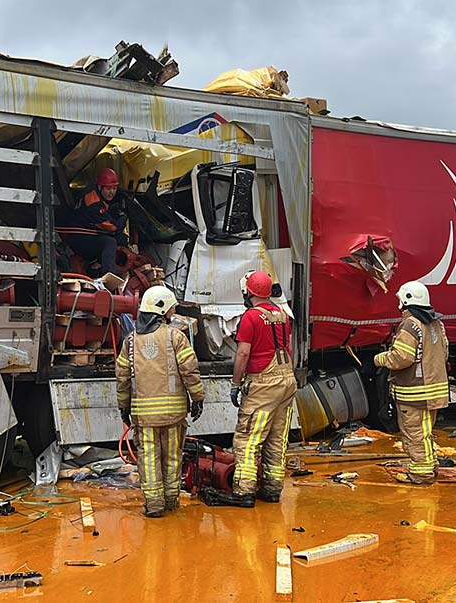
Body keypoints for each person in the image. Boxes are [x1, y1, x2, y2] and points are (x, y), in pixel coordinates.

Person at [201, 270, 295, 508]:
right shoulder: (283, 315)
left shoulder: (250, 318)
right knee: (276, 437)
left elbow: (243, 353)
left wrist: (236, 383)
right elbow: (288, 348)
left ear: (248, 292)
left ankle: (243, 490)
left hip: (263, 385)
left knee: (248, 438)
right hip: (286, 380)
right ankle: (272, 489)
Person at [115, 285, 204, 517]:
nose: (173, 313)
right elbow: (190, 370)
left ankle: (154, 505)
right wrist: (197, 398)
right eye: (171, 309)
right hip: (174, 414)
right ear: (162, 309)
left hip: (143, 417)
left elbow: (122, 377)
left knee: (149, 458)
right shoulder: (175, 336)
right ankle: (171, 500)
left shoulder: (131, 341)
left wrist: (124, 406)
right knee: (173, 455)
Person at [373, 281, 449, 485]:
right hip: (434, 391)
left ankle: (421, 474)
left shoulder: (410, 324)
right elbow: (445, 352)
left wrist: (379, 359)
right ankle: (430, 466)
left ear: (406, 301)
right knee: (425, 433)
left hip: (413, 393)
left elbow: (401, 358)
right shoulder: (436, 323)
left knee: (414, 434)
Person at [57, 168, 128, 276]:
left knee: (120, 239)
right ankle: (108, 276)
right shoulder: (93, 203)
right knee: (110, 242)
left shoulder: (96, 196)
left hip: (85, 235)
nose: (112, 192)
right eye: (108, 189)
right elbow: (112, 227)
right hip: (79, 238)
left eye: (114, 188)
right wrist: (123, 218)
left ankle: (94, 266)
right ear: (100, 187)